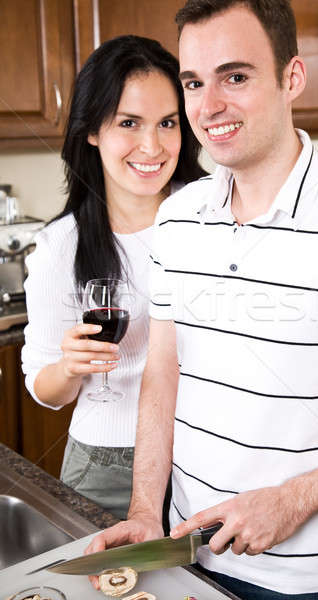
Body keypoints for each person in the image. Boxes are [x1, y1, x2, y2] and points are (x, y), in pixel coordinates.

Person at [87, 2, 318, 598]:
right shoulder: (177, 217)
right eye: (194, 83)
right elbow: (162, 372)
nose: (207, 107)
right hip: (181, 548)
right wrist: (145, 511)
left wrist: (293, 500)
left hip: (299, 577)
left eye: (235, 77)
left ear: (291, 78)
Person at [21, 34, 204, 520]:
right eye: (129, 123)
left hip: (208, 455)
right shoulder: (63, 244)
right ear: (92, 131)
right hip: (107, 464)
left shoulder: (213, 213)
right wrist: (69, 367)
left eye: (167, 122)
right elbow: (44, 389)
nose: (153, 145)